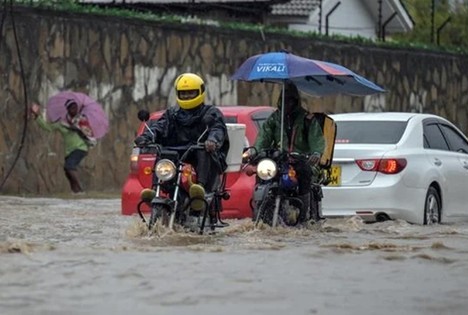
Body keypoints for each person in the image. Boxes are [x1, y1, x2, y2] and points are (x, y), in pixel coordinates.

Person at [134, 73, 229, 211]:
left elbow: (218, 128)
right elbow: (158, 127)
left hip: (202, 155)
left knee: (202, 151)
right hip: (176, 155)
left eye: (191, 93)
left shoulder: (211, 112)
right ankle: (156, 189)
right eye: (183, 94)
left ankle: (199, 191)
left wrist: (212, 140)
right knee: (163, 154)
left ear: (200, 92)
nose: (187, 97)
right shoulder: (172, 114)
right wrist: (147, 137)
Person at [246, 81, 325, 223]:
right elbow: (263, 137)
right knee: (262, 174)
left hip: (300, 160)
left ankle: (303, 215)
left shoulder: (307, 119)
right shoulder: (274, 119)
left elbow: (316, 139)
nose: (287, 103)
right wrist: (254, 152)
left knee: (304, 171)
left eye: (291, 100)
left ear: (296, 101)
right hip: (279, 160)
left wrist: (316, 154)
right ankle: (260, 213)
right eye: (285, 99)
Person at [29, 100, 95, 194]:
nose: (74, 110)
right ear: (68, 109)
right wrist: (37, 117)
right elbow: (48, 127)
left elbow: (89, 133)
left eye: (75, 107)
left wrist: (77, 128)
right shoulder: (62, 123)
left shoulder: (81, 120)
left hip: (80, 148)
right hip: (69, 150)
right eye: (72, 108)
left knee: (69, 166)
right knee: (67, 170)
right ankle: (75, 191)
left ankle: (80, 189)